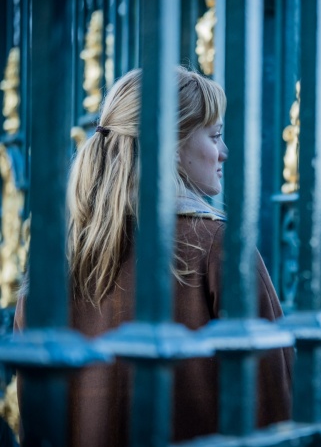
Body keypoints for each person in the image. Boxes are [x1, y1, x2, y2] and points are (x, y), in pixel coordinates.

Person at [14, 67, 293, 445]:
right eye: (215, 136)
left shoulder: (55, 259)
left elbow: (34, 419)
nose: (224, 153)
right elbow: (277, 410)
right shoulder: (217, 246)